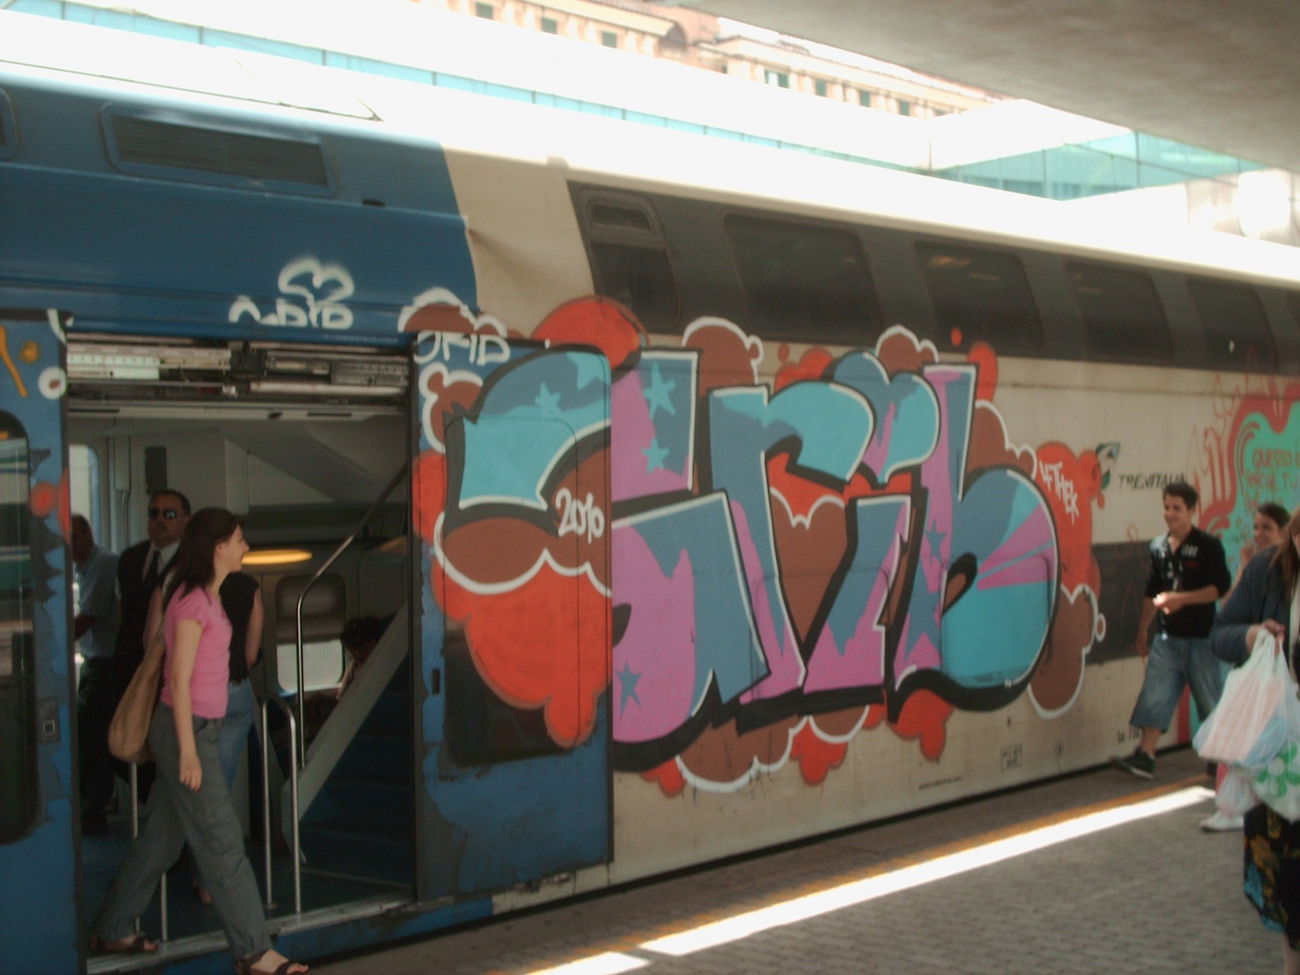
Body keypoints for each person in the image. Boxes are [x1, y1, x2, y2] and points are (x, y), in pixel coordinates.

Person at [89, 508, 308, 975]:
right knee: (222, 841)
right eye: (240, 539)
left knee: (160, 840)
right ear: (218, 547)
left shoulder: (205, 597)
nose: (246, 547)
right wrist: (189, 751)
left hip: (196, 729)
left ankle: (113, 927)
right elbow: (180, 682)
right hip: (188, 732)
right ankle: (254, 952)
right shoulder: (191, 601)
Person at [1208, 504, 1300, 975]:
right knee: (1286, 876)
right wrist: (1250, 637)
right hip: (1278, 753)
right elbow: (1219, 633)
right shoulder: (1268, 570)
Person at [1113, 480, 1231, 779]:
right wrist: (1143, 630)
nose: (1170, 514)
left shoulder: (1208, 545)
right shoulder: (1159, 547)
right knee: (1156, 693)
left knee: (1208, 699)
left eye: (1177, 508)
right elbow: (1152, 592)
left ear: (1192, 510)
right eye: (1166, 507)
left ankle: (1220, 758)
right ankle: (1146, 754)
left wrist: (1181, 599)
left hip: (1202, 637)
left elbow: (1219, 588)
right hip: (1167, 637)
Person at [112, 489, 191, 801]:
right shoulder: (131, 559)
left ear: (186, 520)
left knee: (164, 752)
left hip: (167, 671)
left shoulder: (191, 563)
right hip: (129, 665)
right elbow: (125, 613)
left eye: (169, 514)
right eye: (153, 513)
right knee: (122, 745)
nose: (159, 520)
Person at [71, 514, 119, 834]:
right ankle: (91, 806)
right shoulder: (84, 569)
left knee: (94, 739)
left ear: (87, 533)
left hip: (107, 666)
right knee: (89, 736)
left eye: (72, 536)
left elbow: (86, 619)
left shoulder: (103, 565)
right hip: (95, 663)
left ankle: (94, 809)